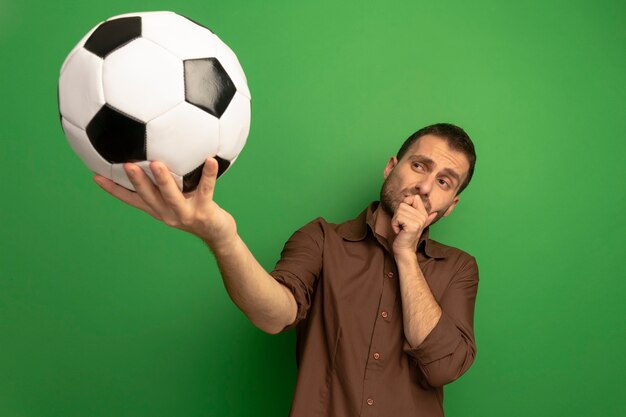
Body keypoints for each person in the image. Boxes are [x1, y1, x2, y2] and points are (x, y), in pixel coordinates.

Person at [94, 122, 479, 417]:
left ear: (452, 205)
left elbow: (443, 366)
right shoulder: (321, 240)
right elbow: (274, 314)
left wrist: (406, 254)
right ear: (391, 167)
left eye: (443, 182)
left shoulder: (459, 268)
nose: (425, 187)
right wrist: (223, 239)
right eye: (418, 166)